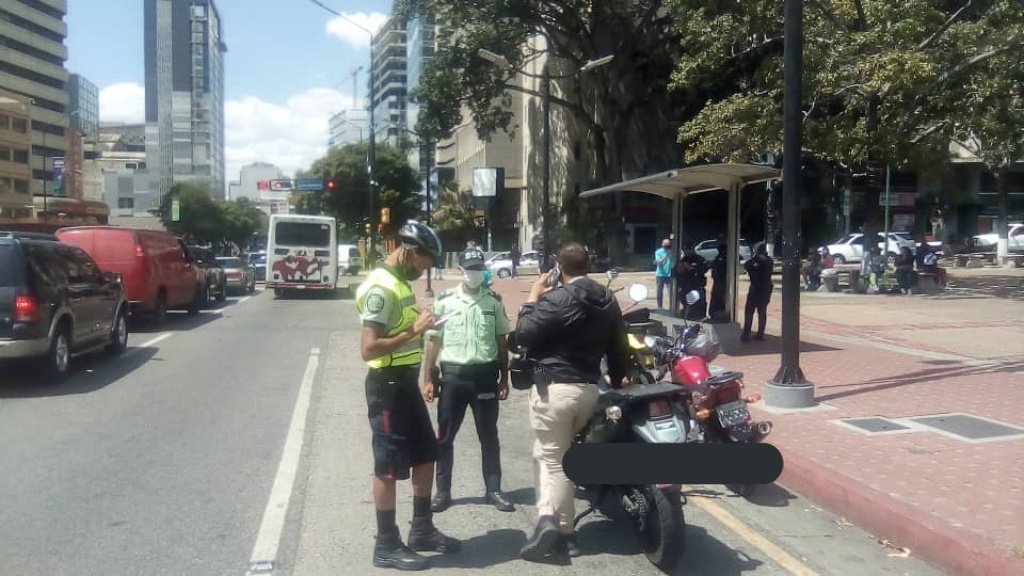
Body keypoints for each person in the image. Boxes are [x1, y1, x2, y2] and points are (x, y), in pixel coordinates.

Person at [514, 242, 631, 563]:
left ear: (557, 265)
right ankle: (566, 533)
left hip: (555, 391)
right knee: (558, 458)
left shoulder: (557, 298)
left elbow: (523, 334)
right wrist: (618, 379)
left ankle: (548, 523)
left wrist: (533, 295)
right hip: (589, 391)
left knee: (553, 461)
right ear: (588, 264)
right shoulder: (606, 298)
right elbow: (619, 345)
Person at [355, 221, 461, 570]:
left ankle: (422, 530)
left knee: (426, 453)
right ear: (410, 251)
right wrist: (414, 331)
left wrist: (424, 326)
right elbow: (369, 349)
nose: (425, 269)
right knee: (387, 466)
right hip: (386, 385)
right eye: (425, 261)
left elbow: (401, 330)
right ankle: (386, 544)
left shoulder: (399, 282)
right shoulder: (381, 288)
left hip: (405, 383)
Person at [422, 247, 515, 514]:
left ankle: (494, 489)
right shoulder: (445, 301)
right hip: (453, 377)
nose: (474, 274)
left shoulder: (493, 302)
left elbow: (501, 342)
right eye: (470, 269)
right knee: (444, 438)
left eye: (478, 269)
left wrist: (504, 379)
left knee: (489, 436)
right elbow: (433, 342)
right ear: (460, 270)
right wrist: (428, 377)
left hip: (485, 377)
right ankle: (443, 492)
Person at [741, 242, 773, 341]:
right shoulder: (769, 260)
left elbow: (747, 265)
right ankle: (760, 333)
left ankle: (746, 333)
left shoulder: (756, 260)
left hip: (756, 288)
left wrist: (754, 257)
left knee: (749, 311)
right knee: (762, 311)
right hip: (767, 288)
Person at [675, 242, 709, 320]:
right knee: (687, 307)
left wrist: (691, 268)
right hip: (686, 288)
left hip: (697, 287)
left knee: (699, 307)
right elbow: (676, 272)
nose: (687, 251)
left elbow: (704, 269)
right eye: (685, 250)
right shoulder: (683, 260)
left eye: (688, 249)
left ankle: (700, 318)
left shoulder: (699, 259)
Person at [708, 236, 729, 320]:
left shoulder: (726, 254)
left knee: (719, 302)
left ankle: (718, 318)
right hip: (717, 282)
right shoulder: (720, 254)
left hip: (722, 282)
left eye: (721, 241)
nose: (719, 243)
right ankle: (714, 316)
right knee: (715, 303)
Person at [653, 238, 673, 310]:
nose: (667, 247)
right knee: (659, 292)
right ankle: (660, 307)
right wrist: (666, 255)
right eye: (665, 246)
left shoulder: (672, 252)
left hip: (669, 274)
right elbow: (659, 263)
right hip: (660, 274)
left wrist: (670, 254)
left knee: (671, 292)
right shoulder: (658, 252)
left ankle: (672, 307)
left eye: (668, 246)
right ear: (662, 245)